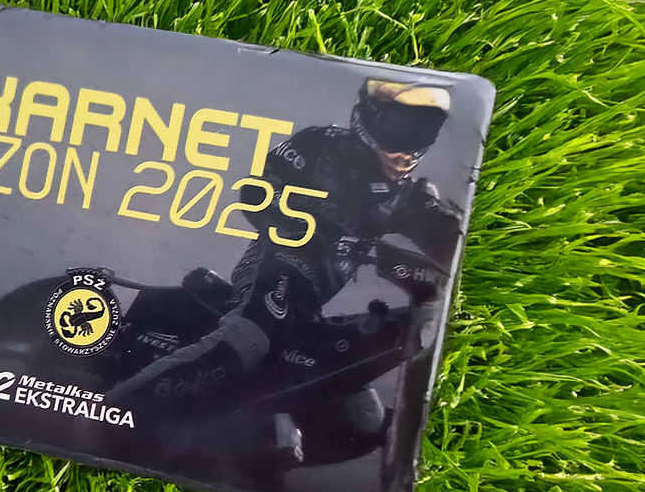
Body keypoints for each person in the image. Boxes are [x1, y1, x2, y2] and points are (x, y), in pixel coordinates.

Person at [106, 79, 462, 452]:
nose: (410, 143)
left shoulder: (410, 194)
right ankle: (112, 409)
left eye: (425, 130)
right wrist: (305, 229)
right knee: (248, 340)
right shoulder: (322, 145)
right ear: (372, 116)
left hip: (310, 304)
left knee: (364, 413)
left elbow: (447, 237)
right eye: (405, 126)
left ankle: (245, 451)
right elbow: (255, 193)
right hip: (275, 267)